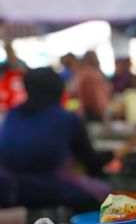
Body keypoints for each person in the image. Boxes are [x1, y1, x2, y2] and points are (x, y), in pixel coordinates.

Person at [0, 67, 112, 210]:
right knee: (106, 194)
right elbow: (92, 162)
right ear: (59, 89)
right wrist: (115, 155)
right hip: (50, 191)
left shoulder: (12, 116)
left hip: (9, 192)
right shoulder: (66, 119)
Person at [73, 51, 113, 122]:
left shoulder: (80, 72)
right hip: (95, 113)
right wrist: (104, 116)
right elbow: (98, 98)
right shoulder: (92, 74)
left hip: (84, 112)